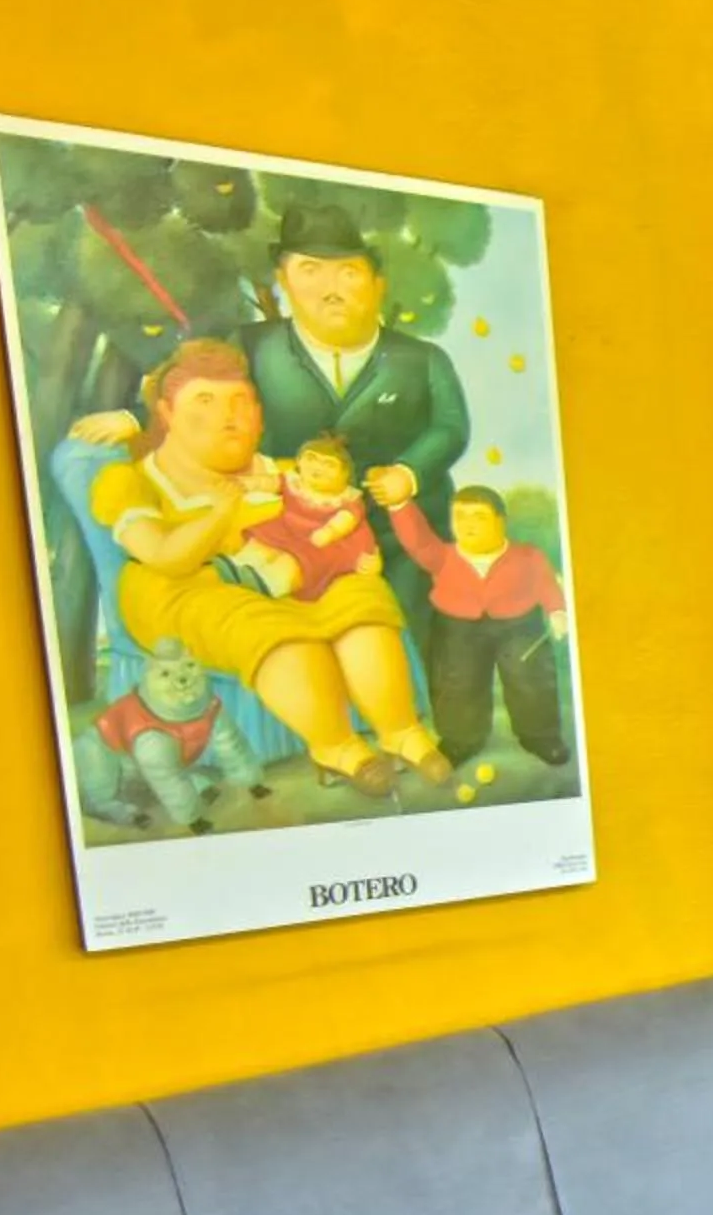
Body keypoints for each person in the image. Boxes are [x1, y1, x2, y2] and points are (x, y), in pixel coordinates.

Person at [76, 203, 470, 658]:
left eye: (348, 273)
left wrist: (409, 472)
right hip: (292, 531)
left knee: (405, 643)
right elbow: (191, 381)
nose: (330, 290)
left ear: (377, 284)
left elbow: (451, 427)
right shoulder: (253, 346)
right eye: (309, 270)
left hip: (402, 536)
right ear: (283, 280)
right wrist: (133, 419)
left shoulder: (423, 360)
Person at [83, 338, 452, 795]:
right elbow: (164, 556)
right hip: (190, 588)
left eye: (242, 401)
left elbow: (339, 518)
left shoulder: (288, 473)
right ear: (167, 413)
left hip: (299, 575)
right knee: (273, 632)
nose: (229, 416)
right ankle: (335, 746)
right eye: (206, 401)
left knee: (361, 600)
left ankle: (401, 731)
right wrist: (220, 510)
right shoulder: (132, 480)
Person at [381, 481, 571, 767]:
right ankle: (461, 740)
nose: (468, 524)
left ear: (500, 521)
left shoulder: (528, 555)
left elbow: (545, 583)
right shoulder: (443, 556)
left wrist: (557, 611)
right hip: (457, 625)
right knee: (458, 681)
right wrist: (399, 506)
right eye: (460, 516)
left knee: (529, 677)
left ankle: (540, 735)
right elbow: (417, 540)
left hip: (518, 623)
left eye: (479, 516)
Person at [250, 435, 384, 601]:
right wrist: (251, 483)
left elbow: (345, 521)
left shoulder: (346, 499)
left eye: (329, 464)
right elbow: (272, 483)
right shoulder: (295, 483)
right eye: (311, 458)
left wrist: (330, 531)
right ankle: (242, 564)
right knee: (262, 542)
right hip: (290, 529)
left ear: (345, 475)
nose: (318, 467)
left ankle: (271, 582)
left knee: (295, 562)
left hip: (325, 543)